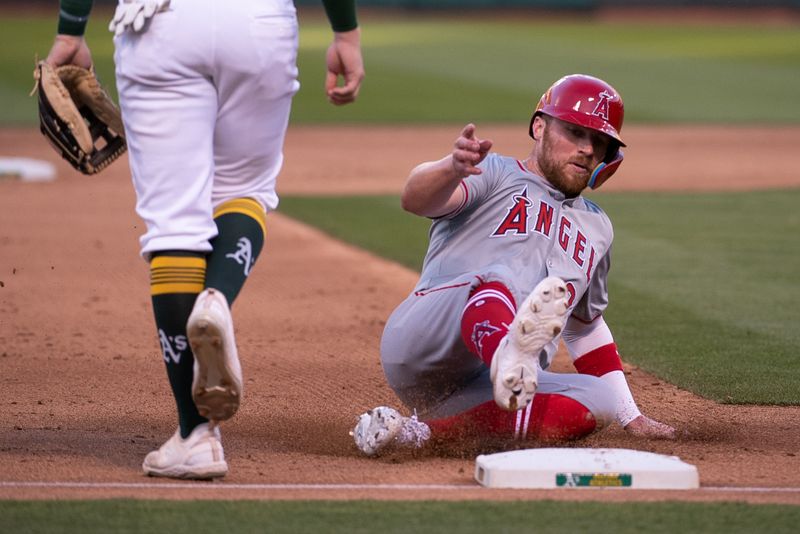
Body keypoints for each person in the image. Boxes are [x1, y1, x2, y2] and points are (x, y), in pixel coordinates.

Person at [45, 0, 364, 479]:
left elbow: (75, 27)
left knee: (175, 224)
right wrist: (346, 34)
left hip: (160, 24)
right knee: (244, 191)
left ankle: (196, 437)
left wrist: (71, 30)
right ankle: (216, 297)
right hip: (258, 26)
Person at [352, 74, 676, 457]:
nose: (588, 149)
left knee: (599, 399)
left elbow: (584, 326)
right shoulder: (495, 173)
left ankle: (417, 434)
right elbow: (415, 199)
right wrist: (451, 167)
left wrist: (630, 414)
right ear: (539, 126)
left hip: (483, 389)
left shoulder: (598, 229)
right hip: (427, 339)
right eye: (574, 132)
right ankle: (505, 354)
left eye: (599, 142)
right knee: (499, 275)